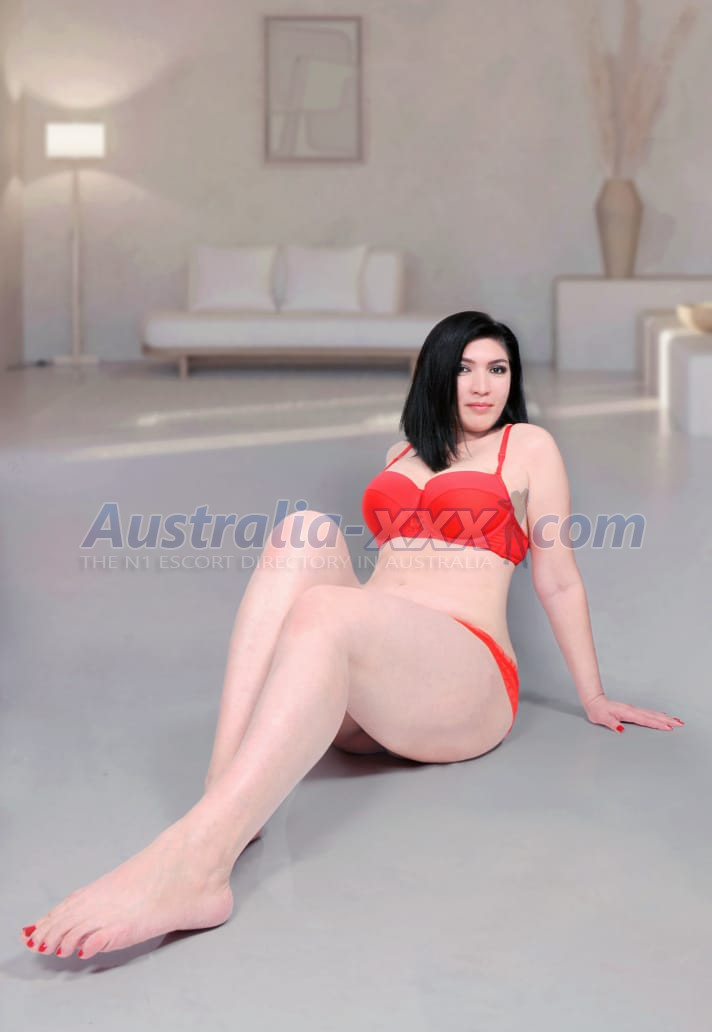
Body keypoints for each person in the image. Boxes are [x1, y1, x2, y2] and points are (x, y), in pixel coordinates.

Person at [20, 311, 683, 962]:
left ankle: (198, 864)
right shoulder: (400, 452)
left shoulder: (528, 447)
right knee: (302, 531)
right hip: (368, 679)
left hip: (463, 680)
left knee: (327, 611)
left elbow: (558, 579)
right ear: (437, 376)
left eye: (498, 369)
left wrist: (594, 695)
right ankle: (223, 801)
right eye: (465, 369)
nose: (484, 385)